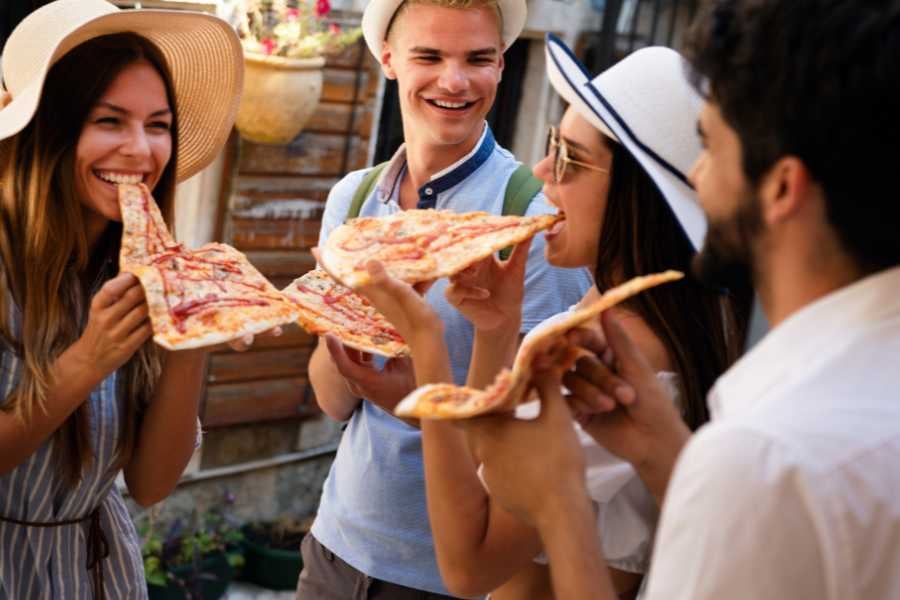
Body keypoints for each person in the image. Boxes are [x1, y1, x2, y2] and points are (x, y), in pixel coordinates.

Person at [457, 0, 900, 598]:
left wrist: (559, 503)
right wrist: (662, 449)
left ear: (782, 187)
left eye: (710, 147)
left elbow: (470, 564)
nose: (693, 179)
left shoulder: (765, 448)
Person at [348, 34, 750, 599]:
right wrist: (496, 329)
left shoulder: (612, 353)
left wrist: (426, 338)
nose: (541, 173)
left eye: (569, 159)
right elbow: (489, 458)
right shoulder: (613, 313)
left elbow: (469, 566)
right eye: (551, 145)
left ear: (639, 200)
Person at [297, 0, 591, 597]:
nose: (454, 81)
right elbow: (331, 401)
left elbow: (536, 437)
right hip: (336, 546)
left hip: (453, 576)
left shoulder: (532, 219)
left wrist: (418, 390)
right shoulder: (353, 201)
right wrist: (355, 318)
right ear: (388, 61)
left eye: (477, 59)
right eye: (429, 56)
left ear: (503, 67)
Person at [0, 0, 243, 597]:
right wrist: (88, 359)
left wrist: (189, 342)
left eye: (158, 125)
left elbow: (153, 483)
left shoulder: (137, 268)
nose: (141, 150)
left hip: (96, 570)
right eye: (109, 121)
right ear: (48, 131)